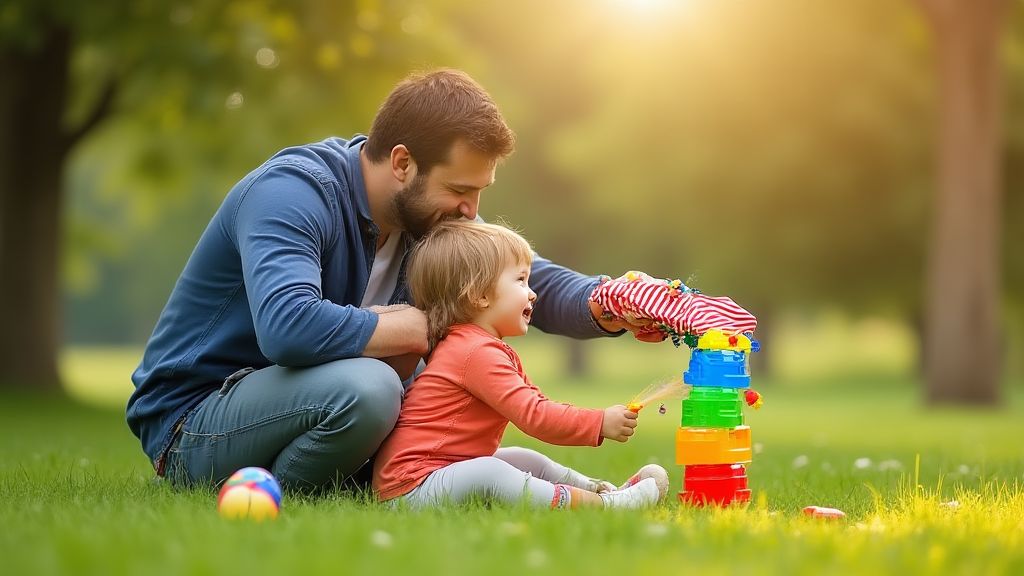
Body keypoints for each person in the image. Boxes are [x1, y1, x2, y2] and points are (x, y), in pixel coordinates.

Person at [126, 68, 663, 491]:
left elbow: (521, 279)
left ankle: (359, 484)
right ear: (403, 163)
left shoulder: (431, 217)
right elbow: (286, 327)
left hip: (317, 412)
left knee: (417, 410)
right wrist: (416, 327)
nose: (471, 212)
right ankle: (299, 497)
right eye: (460, 190)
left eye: (479, 194)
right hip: (196, 422)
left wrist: (612, 300)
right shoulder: (293, 194)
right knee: (373, 385)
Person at [373, 221, 670, 509]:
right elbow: (534, 415)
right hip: (410, 487)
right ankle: (604, 506)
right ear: (480, 295)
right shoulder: (474, 352)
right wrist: (599, 422)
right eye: (520, 280)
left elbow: (537, 402)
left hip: (438, 473)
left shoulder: (478, 346)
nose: (532, 292)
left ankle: (600, 489)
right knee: (491, 472)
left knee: (524, 459)